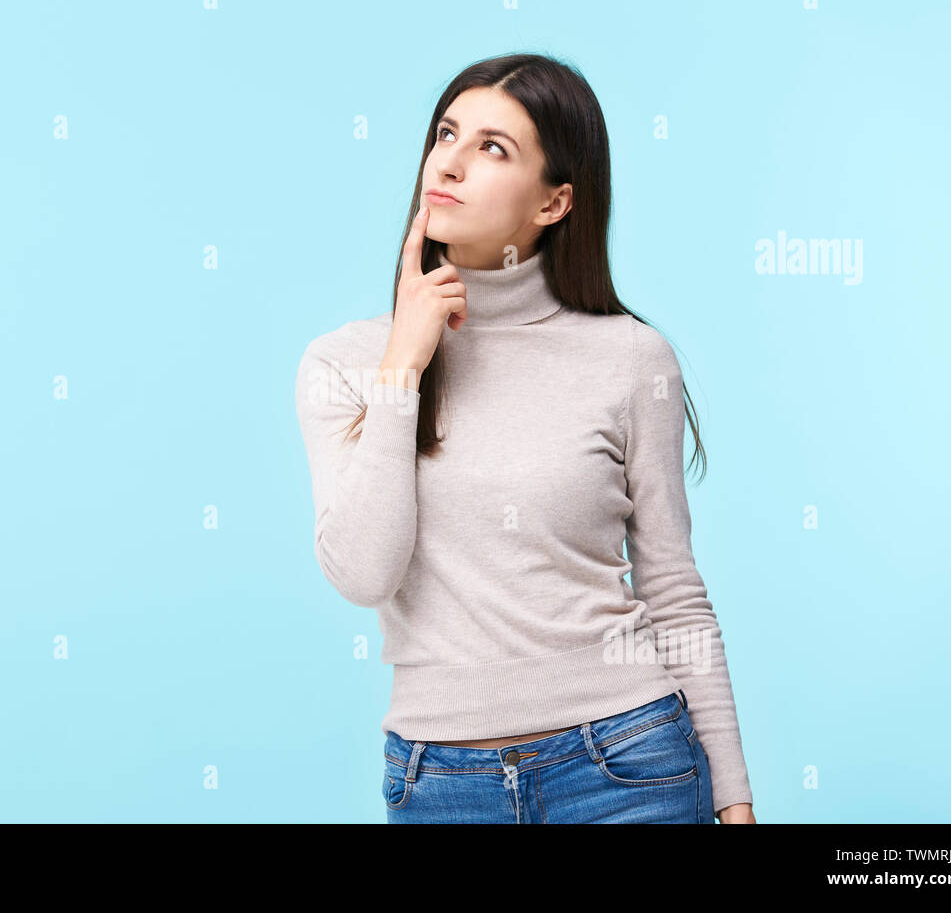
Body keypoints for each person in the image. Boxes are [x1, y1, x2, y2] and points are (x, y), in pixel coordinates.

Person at [294, 52, 756, 824]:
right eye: (447, 133)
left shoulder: (629, 358)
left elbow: (673, 590)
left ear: (554, 202)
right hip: (439, 783)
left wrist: (735, 800)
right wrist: (403, 368)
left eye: (493, 148)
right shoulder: (343, 363)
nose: (451, 160)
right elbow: (365, 573)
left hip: (629, 762)